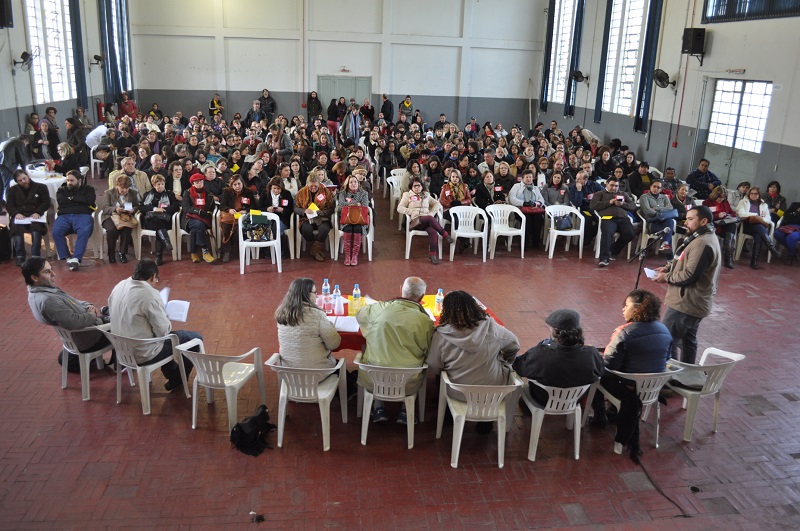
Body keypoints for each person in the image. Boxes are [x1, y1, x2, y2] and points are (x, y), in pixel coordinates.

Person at [590, 290, 672, 461]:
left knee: (597, 374)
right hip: (652, 388)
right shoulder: (664, 329)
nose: (622, 309)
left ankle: (600, 416)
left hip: (628, 387)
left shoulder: (624, 332)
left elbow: (610, 364)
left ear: (637, 309)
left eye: (626, 305)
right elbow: (667, 357)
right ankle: (613, 411)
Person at [427, 290, 520, 429]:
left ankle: (449, 413)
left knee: (440, 376)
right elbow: (514, 345)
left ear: (446, 311)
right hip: (491, 394)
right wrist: (505, 360)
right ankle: (485, 423)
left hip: (458, 392)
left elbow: (434, 366)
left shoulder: (441, 335)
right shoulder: (492, 327)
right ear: (474, 307)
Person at [108, 259, 200, 391]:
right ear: (153, 277)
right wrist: (166, 315)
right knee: (194, 339)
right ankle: (178, 379)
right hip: (142, 353)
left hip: (121, 350)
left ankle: (173, 373)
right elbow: (164, 331)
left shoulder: (120, 285)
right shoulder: (149, 295)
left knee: (165, 340)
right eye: (157, 279)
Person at [356, 276, 434, 424]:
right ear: (422, 297)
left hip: (374, 378)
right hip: (408, 382)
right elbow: (428, 349)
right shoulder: (425, 321)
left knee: (380, 361)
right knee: (416, 362)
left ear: (401, 290)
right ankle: (405, 411)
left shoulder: (380, 308)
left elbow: (360, 315)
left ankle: (378, 407)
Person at [653, 206, 720, 364]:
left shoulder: (702, 243)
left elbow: (690, 275)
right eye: (687, 218)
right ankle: (687, 373)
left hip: (686, 303)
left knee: (668, 340)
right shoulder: (699, 238)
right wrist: (668, 267)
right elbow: (685, 260)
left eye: (691, 219)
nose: (686, 222)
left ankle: (673, 377)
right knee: (688, 340)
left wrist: (666, 277)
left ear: (703, 221)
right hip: (694, 301)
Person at [23, 257, 111, 372]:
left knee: (108, 318)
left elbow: (72, 301)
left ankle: (107, 314)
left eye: (51, 269)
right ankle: (125, 364)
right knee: (123, 326)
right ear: (34, 278)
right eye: (47, 271)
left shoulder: (40, 290)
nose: (53, 274)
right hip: (88, 337)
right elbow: (74, 322)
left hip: (75, 337)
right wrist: (91, 315)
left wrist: (86, 305)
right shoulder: (48, 300)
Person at [512, 309, 603, 407]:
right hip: (574, 401)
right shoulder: (592, 353)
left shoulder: (540, 353)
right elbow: (601, 371)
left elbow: (519, 367)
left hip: (542, 400)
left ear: (555, 331)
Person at [275, 277, 341, 368]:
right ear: (307, 295)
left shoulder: (281, 313)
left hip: (289, 373)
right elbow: (334, 344)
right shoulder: (317, 315)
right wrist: (331, 327)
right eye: (315, 293)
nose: (317, 296)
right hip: (317, 373)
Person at [398, 177, 453, 265]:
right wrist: (412, 212)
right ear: (411, 187)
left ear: (422, 186)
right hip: (416, 221)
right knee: (430, 218)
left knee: (433, 231)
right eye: (414, 186)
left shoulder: (426, 195)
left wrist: (432, 212)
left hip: (427, 220)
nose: (417, 188)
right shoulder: (407, 195)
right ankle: (444, 234)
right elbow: (400, 208)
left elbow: (437, 204)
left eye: (418, 185)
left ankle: (433, 255)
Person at [52, 170, 95, 271]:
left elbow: (89, 200)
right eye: (68, 180)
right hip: (64, 216)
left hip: (83, 215)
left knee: (84, 231)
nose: (69, 183)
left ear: (79, 180)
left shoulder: (88, 189)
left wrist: (71, 198)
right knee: (56, 232)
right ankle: (67, 258)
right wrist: (79, 199)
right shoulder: (61, 190)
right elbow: (61, 202)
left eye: (72, 180)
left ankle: (76, 259)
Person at [590, 176, 637, 267]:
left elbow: (633, 206)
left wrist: (623, 204)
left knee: (630, 233)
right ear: (606, 184)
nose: (614, 188)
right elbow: (593, 205)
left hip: (623, 218)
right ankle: (604, 258)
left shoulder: (623, 194)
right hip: (608, 218)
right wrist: (609, 202)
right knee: (607, 232)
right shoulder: (600, 194)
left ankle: (612, 250)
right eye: (612, 185)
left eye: (616, 186)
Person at [6, 169, 50, 266]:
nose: (23, 181)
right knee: (16, 229)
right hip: (20, 215)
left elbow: (46, 202)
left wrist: (38, 212)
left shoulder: (41, 187)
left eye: (24, 178)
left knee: (36, 227)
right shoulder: (12, 190)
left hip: (35, 214)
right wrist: (15, 213)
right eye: (20, 181)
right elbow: (9, 205)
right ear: (16, 182)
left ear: (28, 176)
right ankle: (20, 255)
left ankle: (35, 255)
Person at [294, 172, 335, 261]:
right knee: (306, 229)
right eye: (311, 186)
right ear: (307, 184)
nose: (313, 188)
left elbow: (331, 208)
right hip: (306, 218)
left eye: (315, 186)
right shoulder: (301, 192)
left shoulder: (325, 191)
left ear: (319, 184)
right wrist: (304, 211)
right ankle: (316, 250)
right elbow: (295, 208)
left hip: (322, 218)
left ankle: (314, 250)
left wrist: (322, 212)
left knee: (324, 229)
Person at [736, 186, 780, 269]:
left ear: (759, 195)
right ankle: (771, 247)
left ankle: (754, 261)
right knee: (760, 228)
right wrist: (755, 216)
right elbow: (740, 213)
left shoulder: (764, 205)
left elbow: (768, 218)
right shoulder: (743, 202)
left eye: (756, 194)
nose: (753, 195)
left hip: (758, 227)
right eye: (751, 193)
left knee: (758, 235)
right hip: (747, 225)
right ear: (749, 194)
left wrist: (759, 219)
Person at [140, 174, 179, 265]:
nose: (160, 186)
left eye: (162, 184)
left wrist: (164, 210)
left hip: (165, 219)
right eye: (158, 184)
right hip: (151, 221)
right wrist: (154, 209)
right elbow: (141, 207)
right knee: (158, 225)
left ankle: (159, 256)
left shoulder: (170, 194)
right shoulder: (148, 194)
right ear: (153, 185)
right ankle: (165, 244)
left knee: (159, 227)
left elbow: (176, 206)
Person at [101, 174, 139, 264]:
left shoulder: (133, 193)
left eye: (127, 188)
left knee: (126, 229)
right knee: (111, 230)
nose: (125, 191)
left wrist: (133, 210)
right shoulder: (109, 193)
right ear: (117, 185)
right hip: (110, 216)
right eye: (122, 188)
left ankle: (122, 253)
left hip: (125, 216)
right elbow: (105, 208)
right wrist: (115, 209)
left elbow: (137, 205)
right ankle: (111, 253)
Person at [180, 173, 217, 263]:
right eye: (197, 182)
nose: (199, 183)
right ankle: (205, 251)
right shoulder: (187, 193)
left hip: (204, 218)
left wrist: (207, 213)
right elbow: (185, 208)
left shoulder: (208, 194)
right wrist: (198, 211)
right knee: (198, 224)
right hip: (189, 218)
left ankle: (194, 253)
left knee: (196, 228)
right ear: (193, 183)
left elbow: (212, 208)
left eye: (201, 181)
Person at [508, 169, 547, 249]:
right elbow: (512, 198)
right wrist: (523, 203)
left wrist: (536, 203)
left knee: (538, 218)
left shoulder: (535, 188)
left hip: (533, 209)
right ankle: (524, 243)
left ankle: (535, 243)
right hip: (520, 210)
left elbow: (541, 200)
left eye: (530, 177)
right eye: (526, 177)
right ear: (522, 178)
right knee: (526, 219)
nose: (528, 179)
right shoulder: (517, 186)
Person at [336, 174, 370, 266]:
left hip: (360, 220)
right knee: (348, 228)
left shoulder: (364, 193)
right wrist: (355, 204)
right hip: (346, 219)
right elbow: (339, 207)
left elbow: (365, 206)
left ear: (358, 183)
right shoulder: (343, 193)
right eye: (351, 182)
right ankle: (348, 256)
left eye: (355, 182)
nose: (353, 184)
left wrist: (348, 204)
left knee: (357, 228)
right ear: (347, 184)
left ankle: (354, 256)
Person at [703, 185, 739, 269]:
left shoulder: (725, 203)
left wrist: (728, 215)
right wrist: (717, 215)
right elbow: (705, 216)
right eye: (719, 197)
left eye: (723, 198)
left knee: (732, 225)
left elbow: (732, 213)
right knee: (729, 233)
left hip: (725, 224)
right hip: (714, 226)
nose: (721, 200)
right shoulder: (707, 202)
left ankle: (728, 257)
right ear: (715, 195)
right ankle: (727, 258)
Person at [639, 180, 676, 255]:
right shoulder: (644, 197)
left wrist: (656, 208)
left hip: (663, 221)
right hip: (651, 222)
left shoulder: (664, 197)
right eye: (654, 186)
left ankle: (665, 244)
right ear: (650, 187)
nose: (656, 189)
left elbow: (670, 208)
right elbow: (648, 211)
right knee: (669, 231)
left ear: (661, 189)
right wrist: (662, 212)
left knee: (670, 222)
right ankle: (670, 259)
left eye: (658, 187)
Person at [259, 176, 293, 258]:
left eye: (278, 189)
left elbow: (291, 209)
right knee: (263, 227)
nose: (276, 191)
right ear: (270, 187)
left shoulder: (287, 194)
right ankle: (266, 250)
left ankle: (282, 250)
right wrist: (267, 209)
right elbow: (259, 208)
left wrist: (282, 210)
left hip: (282, 218)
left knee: (277, 227)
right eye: (274, 188)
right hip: (267, 218)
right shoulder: (264, 193)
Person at [0, 134, 31, 211]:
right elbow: (22, 158)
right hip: (6, 166)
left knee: (1, 187)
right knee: (8, 186)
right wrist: (24, 172)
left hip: (2, 164)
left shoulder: (10, 140)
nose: (25, 146)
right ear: (25, 141)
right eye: (26, 144)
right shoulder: (18, 142)